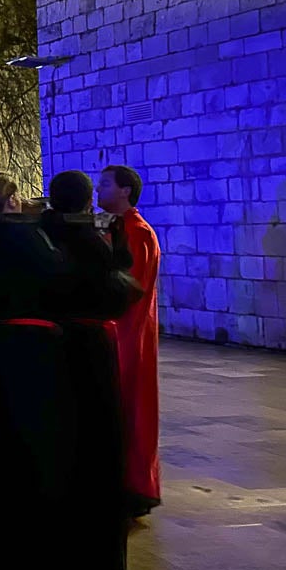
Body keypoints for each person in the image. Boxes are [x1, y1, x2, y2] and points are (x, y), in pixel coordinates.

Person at [0, 172, 79, 570]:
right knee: (31, 448)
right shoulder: (22, 237)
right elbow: (58, 276)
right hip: (28, 353)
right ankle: (30, 555)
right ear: (11, 202)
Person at [41, 171, 149, 570]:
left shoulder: (41, 236)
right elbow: (122, 291)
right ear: (87, 203)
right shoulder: (88, 242)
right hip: (90, 348)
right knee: (102, 455)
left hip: (55, 348)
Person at [97, 164, 162, 516]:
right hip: (123, 331)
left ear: (125, 191)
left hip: (125, 333)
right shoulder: (121, 229)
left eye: (105, 184)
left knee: (129, 408)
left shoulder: (135, 232)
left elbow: (126, 287)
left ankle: (133, 485)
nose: (98, 190)